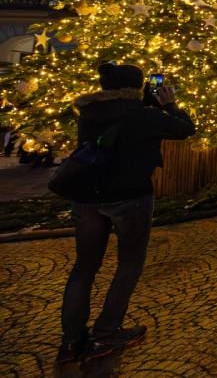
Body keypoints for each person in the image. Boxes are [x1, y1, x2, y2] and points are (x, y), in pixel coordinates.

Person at [59, 63, 195, 364]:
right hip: (129, 196)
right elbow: (185, 129)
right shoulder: (143, 115)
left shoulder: (89, 112)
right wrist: (169, 103)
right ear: (137, 87)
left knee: (83, 268)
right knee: (129, 263)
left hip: (86, 196)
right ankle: (107, 330)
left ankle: (71, 342)